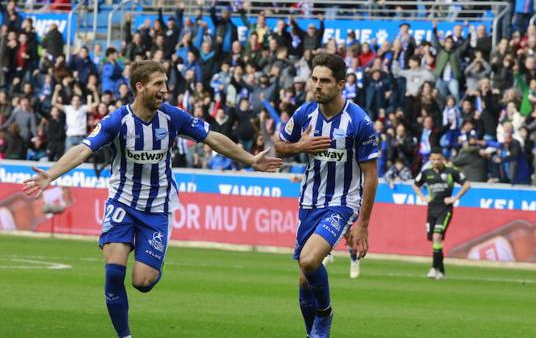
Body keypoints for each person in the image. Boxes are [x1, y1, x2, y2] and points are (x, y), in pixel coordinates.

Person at [23, 61, 282, 338]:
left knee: (142, 282)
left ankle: (144, 251)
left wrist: (250, 160)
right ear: (140, 87)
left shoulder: (172, 117)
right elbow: (83, 150)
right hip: (122, 202)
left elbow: (213, 138)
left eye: (165, 83)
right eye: (158, 84)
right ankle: (125, 335)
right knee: (113, 272)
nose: (165, 89)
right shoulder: (116, 121)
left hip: (157, 209)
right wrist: (51, 174)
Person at [274, 53, 379, 338]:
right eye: (315, 79)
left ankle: (325, 313)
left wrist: (363, 225)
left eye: (325, 81)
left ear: (341, 84)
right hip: (308, 202)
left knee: (309, 261)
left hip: (342, 203)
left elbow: (371, 175)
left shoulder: (359, 121)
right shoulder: (305, 113)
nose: (317, 85)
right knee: (305, 278)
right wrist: (300, 146)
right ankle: (314, 333)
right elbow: (278, 144)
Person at [412, 147, 471, 280]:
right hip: (431, 209)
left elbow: (466, 184)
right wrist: (423, 197)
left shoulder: (451, 172)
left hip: (445, 209)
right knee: (435, 240)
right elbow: (415, 185)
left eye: (438, 159)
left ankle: (433, 268)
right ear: (430, 160)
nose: (436, 161)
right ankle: (442, 271)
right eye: (433, 159)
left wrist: (455, 198)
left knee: (437, 236)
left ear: (443, 159)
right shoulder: (426, 173)